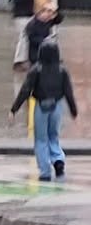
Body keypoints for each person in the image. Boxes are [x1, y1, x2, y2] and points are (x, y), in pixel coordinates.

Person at [11, 40, 77, 181]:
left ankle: (45, 170)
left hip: (41, 105)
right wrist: (73, 109)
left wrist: (14, 109)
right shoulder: (62, 70)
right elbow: (68, 91)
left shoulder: (36, 69)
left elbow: (26, 90)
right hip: (57, 105)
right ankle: (58, 160)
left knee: (41, 139)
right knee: (54, 135)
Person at [23, 2, 63, 67]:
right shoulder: (32, 24)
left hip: (47, 54)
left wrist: (55, 10)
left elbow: (59, 19)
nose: (49, 15)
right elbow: (32, 38)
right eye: (48, 12)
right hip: (36, 55)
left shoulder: (48, 21)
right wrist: (45, 41)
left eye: (51, 13)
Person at [11, 0, 35, 68]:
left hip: (17, 19)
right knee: (24, 39)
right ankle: (19, 60)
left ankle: (22, 59)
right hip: (26, 19)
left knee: (23, 38)